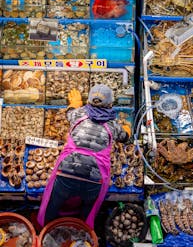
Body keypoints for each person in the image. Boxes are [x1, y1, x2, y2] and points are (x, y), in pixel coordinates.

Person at [37, 84, 131, 228]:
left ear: (88, 101)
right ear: (111, 104)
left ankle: (44, 229)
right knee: (88, 209)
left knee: (53, 204)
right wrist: (127, 129)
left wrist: (74, 104)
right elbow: (125, 137)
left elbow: (69, 112)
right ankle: (84, 232)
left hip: (66, 172)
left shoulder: (78, 114)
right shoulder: (113, 126)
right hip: (95, 178)